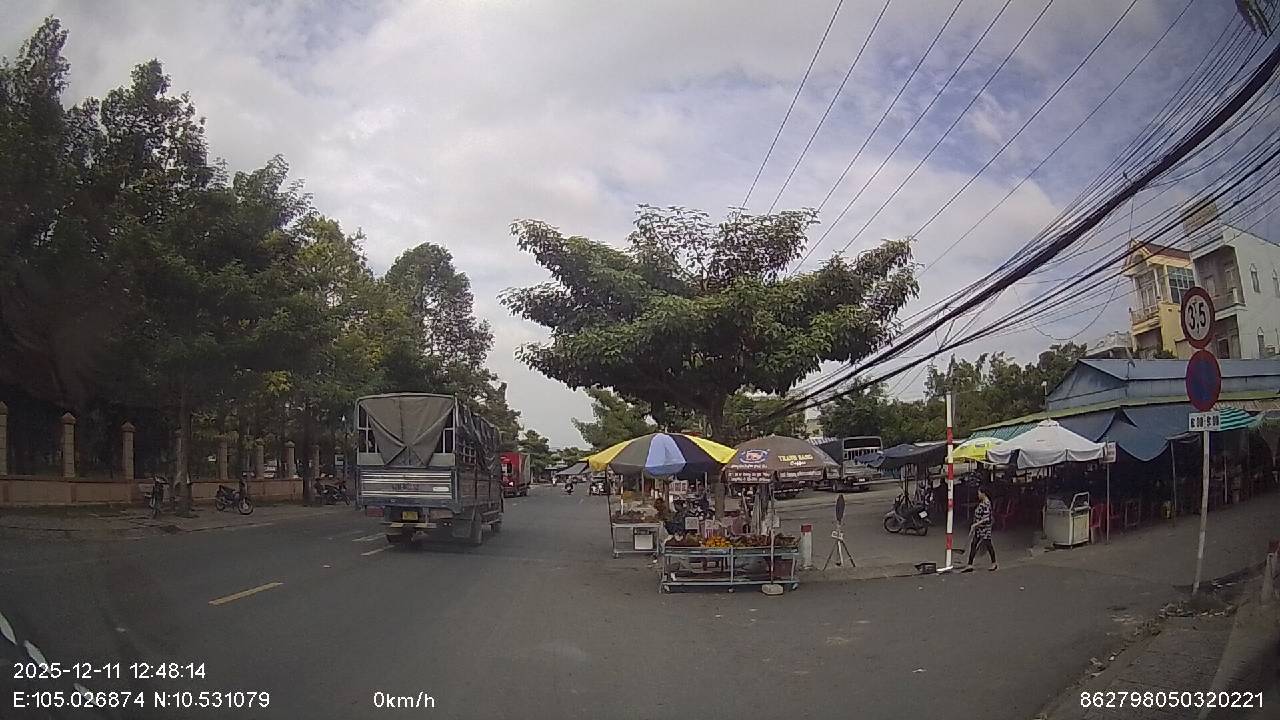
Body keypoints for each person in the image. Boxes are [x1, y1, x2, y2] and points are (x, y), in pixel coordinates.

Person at [964, 483, 997, 572]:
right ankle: (970, 564)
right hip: (979, 528)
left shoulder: (986, 503)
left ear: (983, 493)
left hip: (985, 529)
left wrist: (976, 524)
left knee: (988, 544)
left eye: (979, 493)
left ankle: (994, 563)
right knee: (973, 544)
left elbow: (986, 518)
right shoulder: (982, 503)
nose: (978, 495)